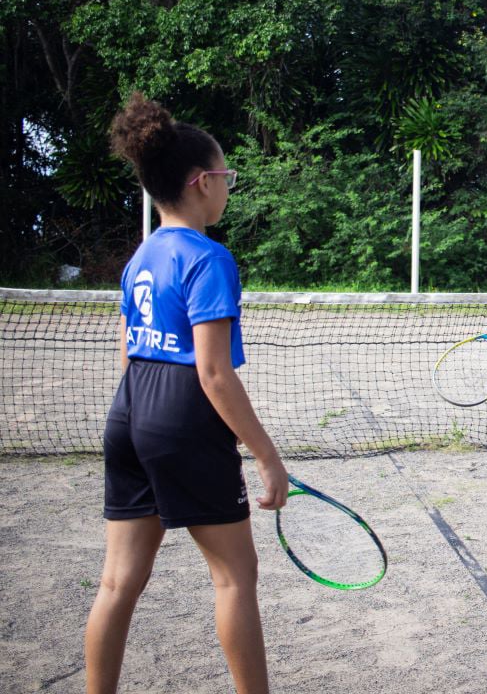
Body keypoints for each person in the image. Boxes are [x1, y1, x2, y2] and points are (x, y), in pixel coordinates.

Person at [85, 93, 289, 694]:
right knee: (234, 578)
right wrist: (267, 456)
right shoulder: (208, 257)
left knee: (117, 583)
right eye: (225, 175)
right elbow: (214, 374)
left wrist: (144, 418)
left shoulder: (141, 256)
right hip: (182, 413)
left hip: (130, 408)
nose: (228, 186)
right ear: (201, 182)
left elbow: (129, 349)